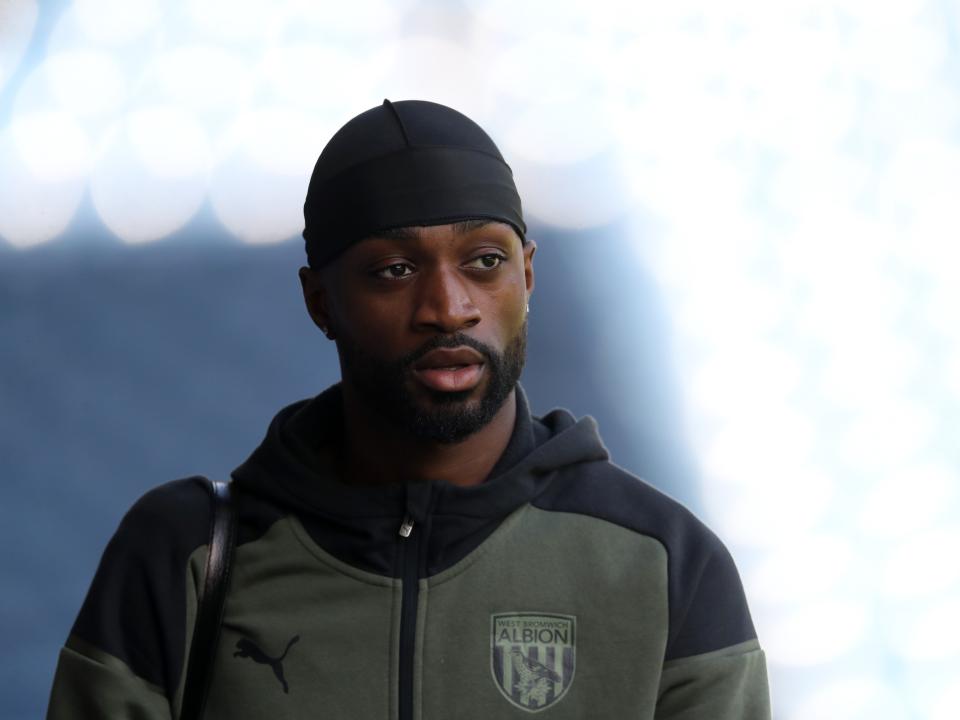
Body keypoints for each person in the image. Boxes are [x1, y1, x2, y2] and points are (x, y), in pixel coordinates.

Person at [47, 99, 771, 719]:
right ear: (320, 302)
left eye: (484, 262)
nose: (447, 308)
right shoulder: (184, 556)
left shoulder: (666, 564)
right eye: (394, 271)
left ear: (527, 275)